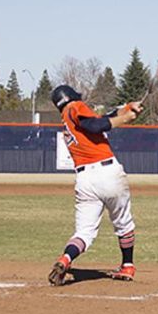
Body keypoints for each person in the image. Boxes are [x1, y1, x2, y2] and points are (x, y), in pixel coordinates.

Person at [47, 85, 142, 286]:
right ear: (71, 97)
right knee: (123, 222)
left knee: (84, 232)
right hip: (107, 173)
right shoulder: (74, 107)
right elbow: (95, 126)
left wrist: (125, 108)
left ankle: (66, 259)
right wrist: (123, 119)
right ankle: (127, 265)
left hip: (84, 179)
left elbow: (97, 120)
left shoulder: (66, 118)